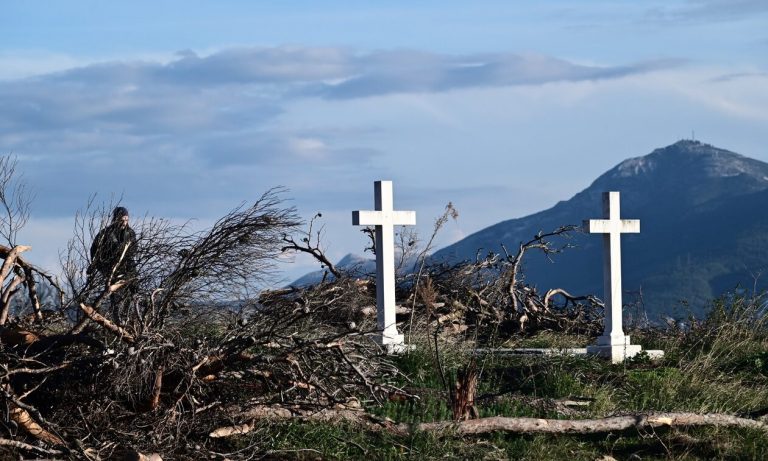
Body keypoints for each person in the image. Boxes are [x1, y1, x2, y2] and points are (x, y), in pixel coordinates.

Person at [88, 206, 138, 322]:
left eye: (126, 219)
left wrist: (124, 254)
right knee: (115, 295)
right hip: (111, 267)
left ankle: (129, 315)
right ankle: (117, 319)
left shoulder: (130, 233)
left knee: (133, 289)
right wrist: (97, 265)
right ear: (116, 219)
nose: (124, 222)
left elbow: (134, 249)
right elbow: (94, 250)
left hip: (127, 266)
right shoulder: (105, 233)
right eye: (122, 219)